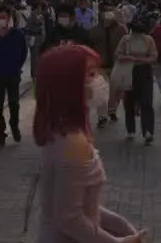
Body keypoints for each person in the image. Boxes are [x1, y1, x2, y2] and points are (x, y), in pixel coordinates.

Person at [32, 44, 146, 242]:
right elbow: (69, 219)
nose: (99, 80)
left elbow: (79, 205)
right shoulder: (73, 144)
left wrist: (121, 227)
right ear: (69, 85)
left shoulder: (61, 132)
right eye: (91, 74)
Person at [0, 6, 27, 147]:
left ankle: (14, 125)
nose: (1, 20)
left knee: (14, 103)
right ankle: (0, 134)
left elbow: (23, 53)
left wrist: (17, 67)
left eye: (3, 17)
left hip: (13, 74)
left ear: (9, 18)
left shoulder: (17, 35)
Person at [115, 16, 158, 143]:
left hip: (145, 72)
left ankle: (148, 131)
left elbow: (154, 56)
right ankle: (131, 130)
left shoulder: (149, 40)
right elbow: (118, 53)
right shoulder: (126, 40)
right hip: (129, 71)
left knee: (147, 101)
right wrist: (126, 58)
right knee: (129, 102)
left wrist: (140, 60)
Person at [89, 6, 127, 127]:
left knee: (118, 90)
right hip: (101, 65)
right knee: (100, 91)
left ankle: (112, 110)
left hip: (117, 63)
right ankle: (102, 116)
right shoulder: (94, 31)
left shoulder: (121, 29)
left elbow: (126, 44)